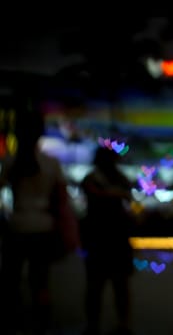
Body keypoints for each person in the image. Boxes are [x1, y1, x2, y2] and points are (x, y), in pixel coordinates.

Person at [0, 107, 80, 335]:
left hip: (16, 225)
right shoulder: (50, 164)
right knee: (40, 282)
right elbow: (62, 200)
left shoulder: (9, 161)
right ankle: (40, 325)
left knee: (10, 281)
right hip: (43, 226)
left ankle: (12, 323)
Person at [80, 146, 135, 335]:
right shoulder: (117, 179)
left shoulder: (93, 178)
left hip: (100, 236)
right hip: (113, 236)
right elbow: (127, 197)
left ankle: (95, 325)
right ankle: (120, 324)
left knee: (98, 284)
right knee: (116, 284)